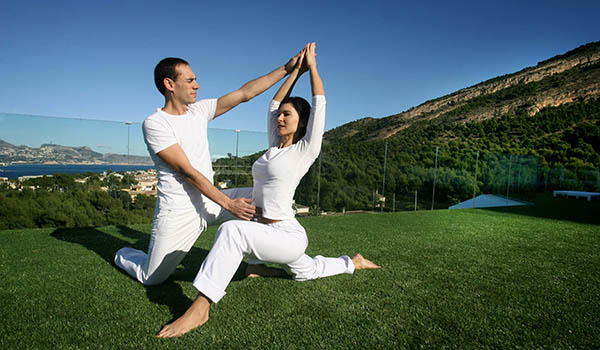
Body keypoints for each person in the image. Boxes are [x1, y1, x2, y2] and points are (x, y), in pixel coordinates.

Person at [157, 43, 380, 338]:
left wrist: (312, 68)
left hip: (286, 235)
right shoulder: (274, 148)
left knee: (232, 231)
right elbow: (273, 104)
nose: (280, 118)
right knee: (306, 271)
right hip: (266, 233)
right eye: (280, 116)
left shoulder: (305, 150)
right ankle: (351, 262)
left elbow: (320, 103)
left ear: (303, 122)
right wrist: (294, 72)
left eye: (288, 115)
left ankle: (201, 307)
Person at [114, 50, 305, 286]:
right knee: (151, 278)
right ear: (169, 84)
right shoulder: (155, 123)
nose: (197, 85)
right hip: (180, 211)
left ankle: (257, 265)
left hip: (211, 201)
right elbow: (187, 171)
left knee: (264, 200)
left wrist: (287, 68)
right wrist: (229, 204)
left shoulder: (199, 110)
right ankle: (123, 254)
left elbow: (245, 93)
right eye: (190, 80)